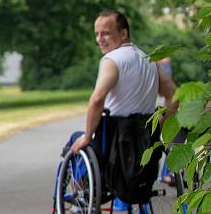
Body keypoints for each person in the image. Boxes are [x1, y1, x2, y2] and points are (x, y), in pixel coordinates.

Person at [70, 10, 177, 156]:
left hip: (114, 144)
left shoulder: (112, 60)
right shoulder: (149, 61)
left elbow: (97, 99)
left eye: (105, 33)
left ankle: (75, 179)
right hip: (144, 142)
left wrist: (87, 137)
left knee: (75, 139)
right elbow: (174, 95)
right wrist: (160, 126)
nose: (99, 39)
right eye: (97, 34)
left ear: (123, 34)